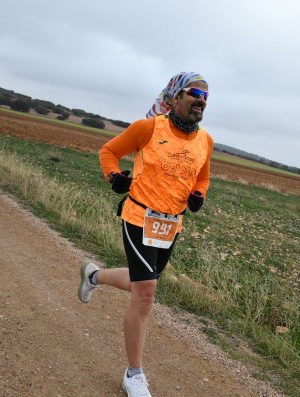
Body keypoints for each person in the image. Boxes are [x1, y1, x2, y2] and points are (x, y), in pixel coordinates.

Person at [78, 72, 213, 397]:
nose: (201, 100)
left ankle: (94, 276)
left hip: (171, 225)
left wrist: (199, 195)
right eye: (195, 92)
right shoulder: (148, 127)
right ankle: (133, 374)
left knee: (143, 282)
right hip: (138, 216)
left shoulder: (205, 141)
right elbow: (108, 151)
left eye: (207, 96)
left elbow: (203, 178)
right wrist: (114, 176)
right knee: (147, 290)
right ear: (175, 97)